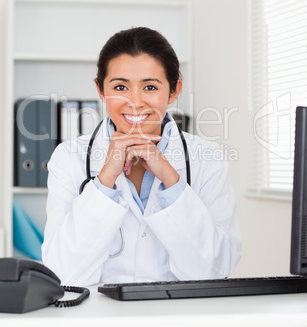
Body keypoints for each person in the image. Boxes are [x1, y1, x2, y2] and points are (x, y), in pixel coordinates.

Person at [42, 27, 241, 286]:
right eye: (121, 86)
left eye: (149, 87)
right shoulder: (68, 158)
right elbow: (62, 275)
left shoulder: (207, 158)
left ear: (174, 90)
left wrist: (171, 179)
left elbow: (215, 271)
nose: (135, 102)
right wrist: (104, 182)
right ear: (101, 90)